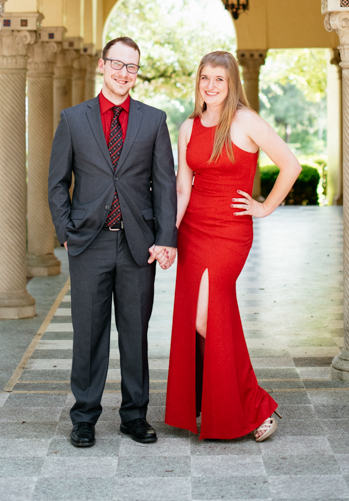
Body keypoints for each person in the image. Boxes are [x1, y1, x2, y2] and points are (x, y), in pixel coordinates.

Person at [165, 50, 301, 442]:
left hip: (229, 233)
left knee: (205, 319)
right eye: (204, 78)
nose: (210, 86)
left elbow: (290, 165)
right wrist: (169, 236)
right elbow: (182, 187)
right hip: (193, 230)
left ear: (232, 83)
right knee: (202, 319)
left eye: (219, 79)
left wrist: (264, 207)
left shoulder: (246, 121)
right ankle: (227, 404)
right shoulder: (188, 126)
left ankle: (257, 405)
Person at [48, 36, 177, 449]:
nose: (124, 72)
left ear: (136, 74)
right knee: (88, 334)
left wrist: (165, 238)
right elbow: (56, 183)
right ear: (102, 66)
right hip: (89, 243)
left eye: (132, 67)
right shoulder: (73, 119)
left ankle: (135, 416)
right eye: (117, 64)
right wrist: (67, 231)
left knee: (135, 334)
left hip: (139, 246)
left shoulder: (153, 120)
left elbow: (166, 186)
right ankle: (84, 417)